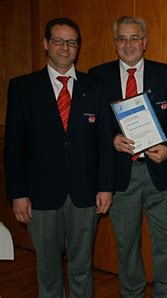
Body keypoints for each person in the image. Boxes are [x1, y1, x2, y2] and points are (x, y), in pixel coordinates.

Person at [4, 17, 113, 297]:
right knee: (48, 268)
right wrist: (18, 193)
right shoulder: (23, 88)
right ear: (45, 44)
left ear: (78, 47)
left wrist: (105, 187)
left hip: (85, 194)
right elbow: (14, 146)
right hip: (40, 196)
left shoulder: (96, 87)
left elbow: (104, 142)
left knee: (82, 266)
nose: (65, 48)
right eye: (58, 41)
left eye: (71, 42)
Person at [88, 16, 167, 297]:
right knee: (127, 243)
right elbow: (92, 124)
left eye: (134, 38)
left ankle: (164, 293)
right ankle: (132, 293)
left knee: (163, 242)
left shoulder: (166, 73)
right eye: (122, 38)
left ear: (145, 42)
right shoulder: (97, 76)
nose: (128, 44)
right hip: (121, 175)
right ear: (115, 42)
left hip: (159, 173)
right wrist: (111, 139)